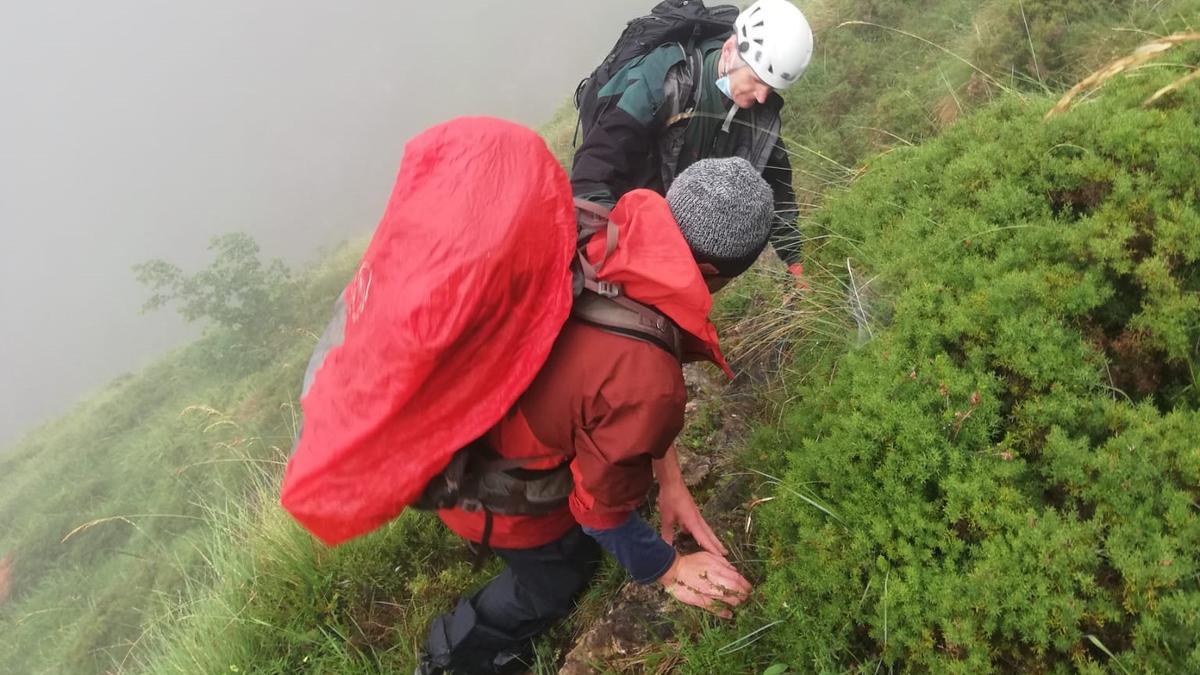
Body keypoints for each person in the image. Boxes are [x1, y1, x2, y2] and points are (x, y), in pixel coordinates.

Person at [417, 156, 775, 675]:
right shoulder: (648, 381)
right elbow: (599, 513)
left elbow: (614, 381)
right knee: (555, 582)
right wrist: (668, 568)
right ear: (716, 275)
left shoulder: (600, 230)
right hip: (483, 487)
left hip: (460, 429)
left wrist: (669, 479)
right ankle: (451, 656)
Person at [571, 0, 814, 281]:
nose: (761, 97)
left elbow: (777, 188)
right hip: (629, 238)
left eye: (770, 88)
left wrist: (794, 259)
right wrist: (613, 250)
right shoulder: (665, 83)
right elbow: (594, 171)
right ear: (729, 50)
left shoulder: (759, 117)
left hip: (681, 256)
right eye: (757, 81)